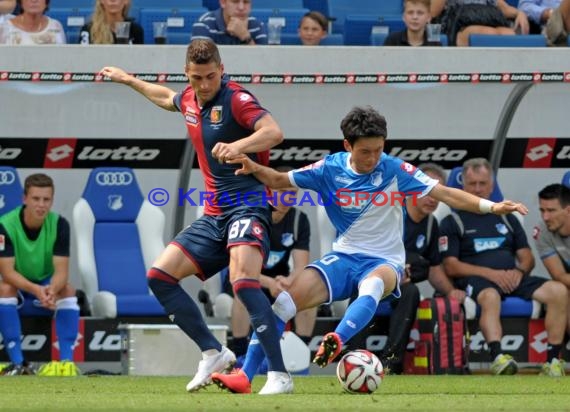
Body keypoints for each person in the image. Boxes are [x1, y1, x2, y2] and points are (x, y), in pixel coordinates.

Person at [211, 106, 528, 394]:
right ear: (347, 146)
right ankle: (247, 376)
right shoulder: (329, 169)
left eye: (379, 149)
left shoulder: (393, 169)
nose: (374, 157)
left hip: (385, 261)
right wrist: (251, 164)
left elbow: (446, 193)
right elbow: (280, 180)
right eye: (366, 151)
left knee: (373, 285)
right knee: (283, 303)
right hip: (345, 256)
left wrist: (491, 206)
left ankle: (339, 337)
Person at [99, 38, 289, 395]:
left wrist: (238, 146)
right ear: (187, 74)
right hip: (215, 215)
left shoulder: (236, 99)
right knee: (159, 276)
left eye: (211, 77)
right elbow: (163, 98)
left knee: (243, 282)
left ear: (222, 70)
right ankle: (213, 351)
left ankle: (279, 374)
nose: (205, 85)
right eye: (197, 78)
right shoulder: (188, 98)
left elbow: (273, 132)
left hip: (248, 204)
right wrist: (128, 80)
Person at [439, 158, 567, 376]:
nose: (478, 189)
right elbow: (451, 266)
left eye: (483, 183)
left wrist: (518, 272)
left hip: (512, 278)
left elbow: (527, 258)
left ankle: (553, 360)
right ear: (463, 187)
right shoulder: (452, 221)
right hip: (478, 281)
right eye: (472, 184)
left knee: (559, 291)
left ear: (491, 185)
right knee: (490, 296)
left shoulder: (507, 218)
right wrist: (492, 274)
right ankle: (498, 357)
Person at [362, 162, 466, 374]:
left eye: (436, 194)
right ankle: (355, 358)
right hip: (371, 276)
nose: (432, 199)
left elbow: (435, 268)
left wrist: (451, 291)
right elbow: (364, 252)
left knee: (411, 290)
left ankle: (391, 363)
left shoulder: (431, 225)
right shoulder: (389, 213)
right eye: (426, 191)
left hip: (401, 288)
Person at [224, 182, 315, 367]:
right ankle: (240, 356)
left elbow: (301, 265)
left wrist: (289, 280)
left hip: (279, 280)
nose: (288, 197)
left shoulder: (299, 220)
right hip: (246, 277)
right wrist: (269, 283)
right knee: (242, 295)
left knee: (309, 297)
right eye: (282, 191)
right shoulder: (250, 216)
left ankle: (299, 354)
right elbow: (240, 264)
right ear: (269, 191)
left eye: (292, 193)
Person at [0, 174, 80, 376]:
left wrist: (51, 291)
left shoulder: (60, 224)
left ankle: (66, 363)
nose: (41, 205)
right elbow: (7, 272)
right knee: (4, 288)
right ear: (24, 199)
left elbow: (62, 270)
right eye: (36, 199)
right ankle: (19, 364)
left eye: (46, 200)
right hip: (20, 286)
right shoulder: (4, 225)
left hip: (45, 286)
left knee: (68, 289)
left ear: (52, 200)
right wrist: (37, 290)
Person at [534, 183, 570, 333]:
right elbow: (559, 275)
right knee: (563, 292)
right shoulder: (542, 231)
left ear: (568, 210)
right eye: (542, 210)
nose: (545, 217)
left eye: (551, 211)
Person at [431, 0, 529, 46]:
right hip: (460, 25)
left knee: (509, 35)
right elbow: (433, 12)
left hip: (488, 20)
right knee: (486, 34)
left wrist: (519, 13)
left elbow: (503, 8)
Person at [191, 0, 267, 45]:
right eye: (235, 1)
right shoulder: (203, 24)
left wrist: (246, 37)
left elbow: (265, 64)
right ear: (223, 2)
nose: (241, 7)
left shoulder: (258, 25)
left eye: (246, 2)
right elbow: (200, 64)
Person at [0, 0, 66, 45]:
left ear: (46, 2)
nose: (34, 0)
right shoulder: (5, 29)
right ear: (21, 1)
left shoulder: (56, 27)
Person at [79, 0, 144, 45]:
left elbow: (138, 60)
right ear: (101, 1)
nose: (112, 0)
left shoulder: (135, 30)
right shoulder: (88, 29)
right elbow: (83, 58)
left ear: (126, 1)